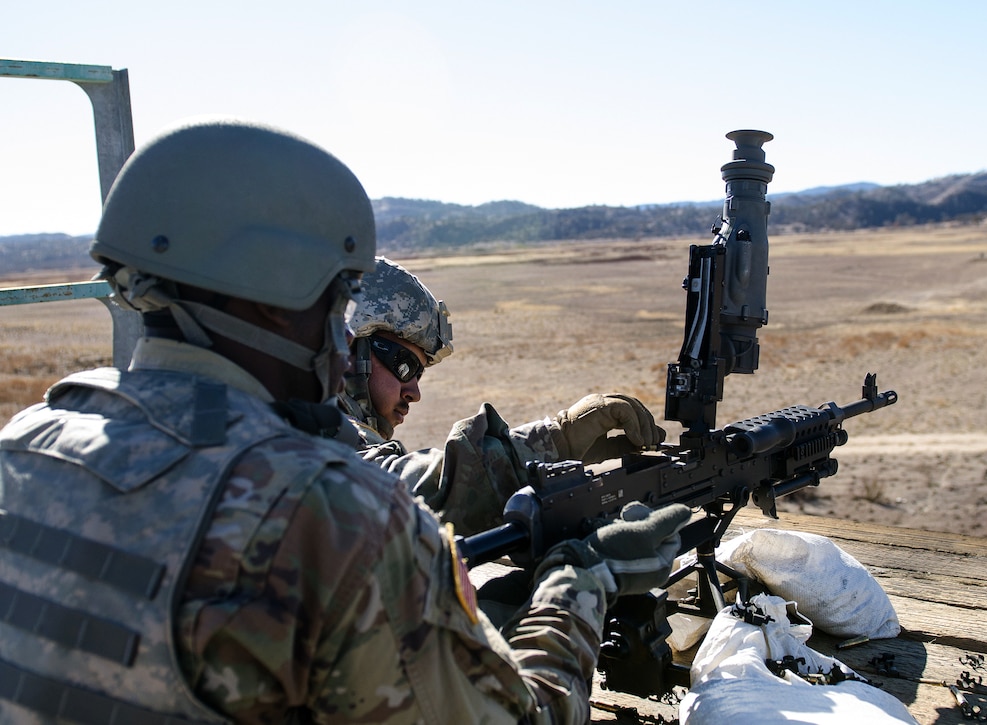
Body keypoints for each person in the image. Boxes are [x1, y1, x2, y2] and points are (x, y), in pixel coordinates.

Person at [0, 117, 690, 724]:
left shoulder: (26, 444)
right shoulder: (332, 519)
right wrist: (578, 584)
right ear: (276, 296)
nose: (338, 335)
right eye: (336, 302)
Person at [340, 256, 668, 536]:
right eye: (404, 366)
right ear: (348, 349)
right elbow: (401, 494)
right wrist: (558, 438)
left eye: (419, 373)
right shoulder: (310, 431)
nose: (414, 392)